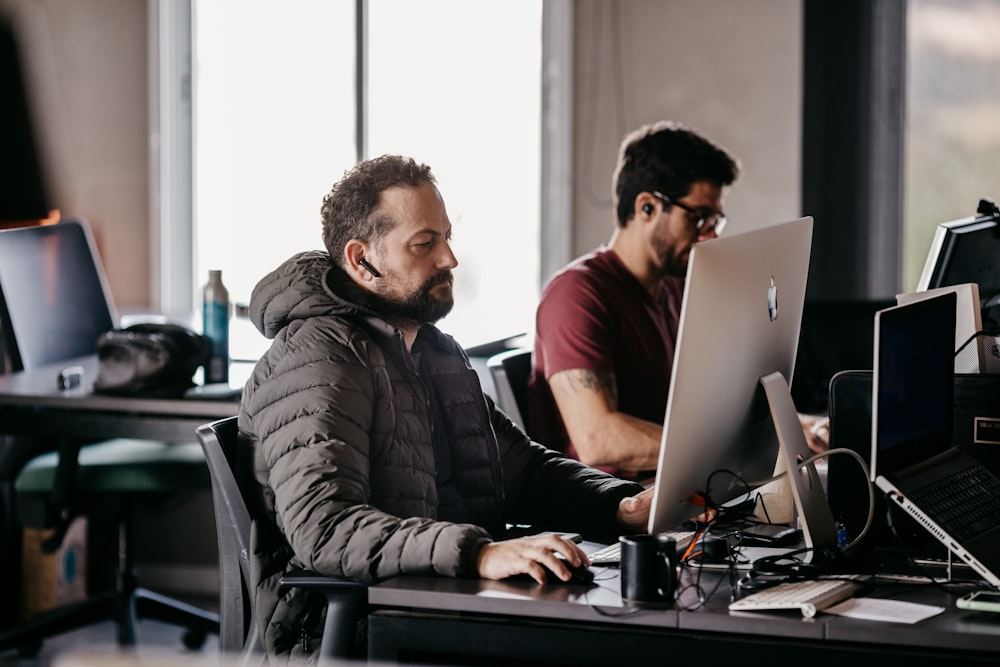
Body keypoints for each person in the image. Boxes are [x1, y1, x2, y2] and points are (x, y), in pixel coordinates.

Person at [237, 154, 652, 663]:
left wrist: (621, 503)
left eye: (447, 236)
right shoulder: (319, 357)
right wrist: (478, 553)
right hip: (359, 629)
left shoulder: (433, 349)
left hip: (439, 603)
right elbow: (326, 527)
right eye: (425, 243)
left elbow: (519, 470)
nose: (450, 259)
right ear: (362, 259)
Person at [527, 120, 828, 483]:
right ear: (647, 207)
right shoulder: (577, 295)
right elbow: (598, 440)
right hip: (615, 509)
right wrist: (752, 443)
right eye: (699, 217)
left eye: (715, 220)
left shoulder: (676, 288)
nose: (710, 235)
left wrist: (796, 425)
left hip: (680, 487)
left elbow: (717, 403)